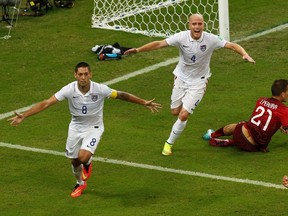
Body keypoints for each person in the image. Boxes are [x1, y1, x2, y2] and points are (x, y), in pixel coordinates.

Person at [8, 62, 161, 198]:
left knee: (83, 156)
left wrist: (143, 102)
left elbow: (121, 95)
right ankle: (80, 183)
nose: (83, 77)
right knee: (74, 160)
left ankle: (87, 162)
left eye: (86, 74)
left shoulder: (100, 89)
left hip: (94, 128)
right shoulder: (69, 89)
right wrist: (25, 115)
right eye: (80, 74)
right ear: (75, 75)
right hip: (75, 127)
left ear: (90, 74)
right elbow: (47, 103)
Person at [124, 13, 255, 156]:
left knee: (184, 115)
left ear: (204, 25)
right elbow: (159, 44)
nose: (197, 27)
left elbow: (231, 45)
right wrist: (138, 49)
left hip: (199, 82)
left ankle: (168, 144)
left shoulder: (211, 39)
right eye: (194, 24)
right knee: (175, 112)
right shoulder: (181, 37)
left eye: (200, 24)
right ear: (189, 25)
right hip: (181, 78)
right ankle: (183, 115)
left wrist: (244, 54)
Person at [202, 79, 288, 153]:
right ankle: (230, 142)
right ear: (283, 94)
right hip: (254, 146)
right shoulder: (284, 110)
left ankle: (212, 135)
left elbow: (265, 116)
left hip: (240, 133)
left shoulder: (261, 100)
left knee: (237, 126)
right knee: (252, 137)